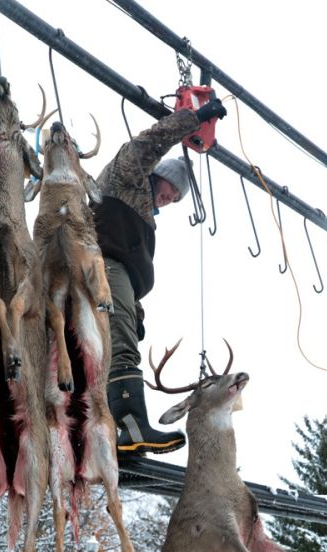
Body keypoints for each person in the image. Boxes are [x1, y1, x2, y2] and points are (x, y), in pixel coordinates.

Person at [92, 98, 227, 457]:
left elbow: (132, 272)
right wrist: (193, 119)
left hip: (115, 274)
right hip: (100, 264)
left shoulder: (145, 218)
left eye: (176, 197)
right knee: (121, 344)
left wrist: (136, 310)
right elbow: (151, 141)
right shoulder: (129, 177)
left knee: (102, 350)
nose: (169, 198)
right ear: (157, 174)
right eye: (169, 189)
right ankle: (134, 426)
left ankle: (108, 430)